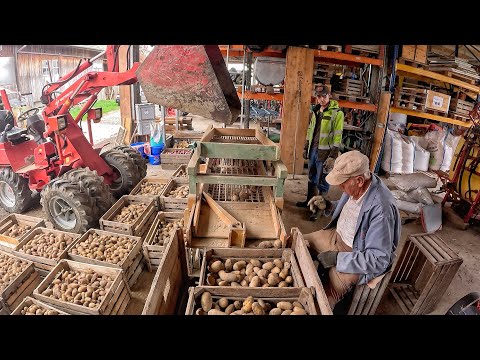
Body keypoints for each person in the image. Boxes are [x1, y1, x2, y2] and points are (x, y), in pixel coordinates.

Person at [303, 150, 400, 309]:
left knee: (323, 302)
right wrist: (328, 205)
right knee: (299, 241)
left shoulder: (381, 210)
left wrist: (337, 259)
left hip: (357, 255)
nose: (340, 187)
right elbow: (352, 210)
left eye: (343, 183)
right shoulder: (360, 185)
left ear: (360, 180)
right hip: (336, 237)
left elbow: (378, 259)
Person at [296, 85, 344, 221]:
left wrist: (333, 156)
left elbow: (337, 136)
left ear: (330, 95)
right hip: (313, 150)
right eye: (319, 96)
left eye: (324, 96)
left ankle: (319, 209)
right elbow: (311, 130)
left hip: (325, 154)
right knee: (311, 177)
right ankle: (309, 202)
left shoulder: (337, 113)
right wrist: (306, 147)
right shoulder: (316, 111)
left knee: (323, 181)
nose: (321, 99)